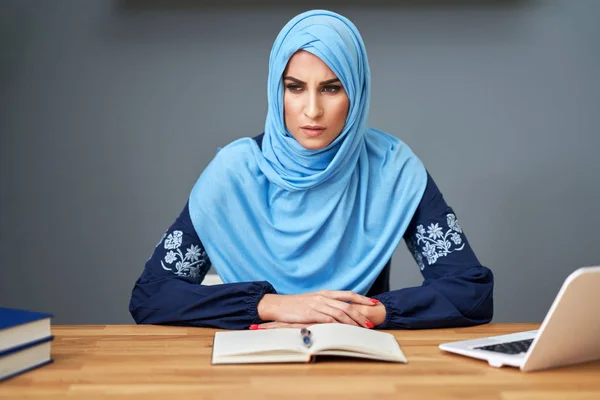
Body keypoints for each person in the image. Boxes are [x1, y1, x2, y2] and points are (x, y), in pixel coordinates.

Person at [129, 10, 494, 331]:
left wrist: (366, 313)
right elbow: (153, 294)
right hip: (251, 370)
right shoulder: (234, 172)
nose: (312, 110)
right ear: (277, 91)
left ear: (356, 91)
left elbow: (470, 291)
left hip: (355, 365)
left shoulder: (391, 168)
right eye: (295, 88)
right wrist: (273, 305)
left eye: (331, 88)